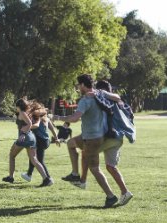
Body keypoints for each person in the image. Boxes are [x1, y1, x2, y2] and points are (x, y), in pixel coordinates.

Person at [53, 74, 120, 208]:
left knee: (94, 168)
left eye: (78, 85)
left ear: (83, 84)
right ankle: (75, 174)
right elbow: (117, 97)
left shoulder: (85, 100)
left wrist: (57, 117)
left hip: (92, 139)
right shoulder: (99, 93)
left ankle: (110, 196)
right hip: (93, 136)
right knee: (71, 143)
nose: (77, 87)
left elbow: (75, 118)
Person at [76, 80, 133, 206]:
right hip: (118, 138)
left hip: (108, 136)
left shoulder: (100, 98)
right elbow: (118, 97)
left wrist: (97, 93)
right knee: (110, 166)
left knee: (88, 154)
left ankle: (83, 181)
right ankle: (125, 192)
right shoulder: (116, 101)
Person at [2, 98, 53, 187]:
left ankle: (11, 177)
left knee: (12, 155)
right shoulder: (28, 112)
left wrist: (23, 133)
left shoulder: (23, 113)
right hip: (31, 138)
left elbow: (29, 124)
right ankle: (46, 179)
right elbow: (42, 113)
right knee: (34, 159)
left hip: (25, 138)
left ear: (18, 106)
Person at [21, 102, 59, 183]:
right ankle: (29, 174)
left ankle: (48, 178)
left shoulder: (35, 118)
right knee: (33, 157)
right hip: (46, 141)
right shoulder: (46, 118)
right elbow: (53, 129)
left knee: (38, 160)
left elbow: (31, 125)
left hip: (40, 141)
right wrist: (56, 139)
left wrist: (24, 130)